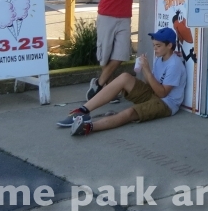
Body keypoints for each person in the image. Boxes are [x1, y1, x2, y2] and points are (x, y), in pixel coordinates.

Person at [57, 27, 186, 135]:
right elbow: (151, 85)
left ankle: (87, 127)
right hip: (154, 94)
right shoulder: (161, 57)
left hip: (167, 104)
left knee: (130, 112)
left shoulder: (174, 64)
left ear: (169, 45)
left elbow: (162, 93)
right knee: (125, 77)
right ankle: (83, 111)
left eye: (158, 46)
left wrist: (146, 70)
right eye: (154, 45)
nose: (155, 49)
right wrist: (142, 75)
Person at [88, 0, 160, 101]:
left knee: (121, 54)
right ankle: (109, 89)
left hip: (124, 17)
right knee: (105, 56)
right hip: (106, 15)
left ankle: (99, 84)